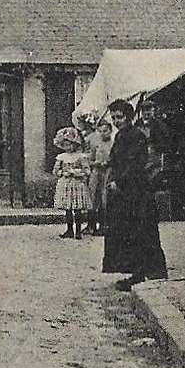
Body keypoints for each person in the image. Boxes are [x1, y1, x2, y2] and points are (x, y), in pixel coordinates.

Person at [101, 99, 168, 290]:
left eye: (119, 117)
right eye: (113, 117)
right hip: (124, 192)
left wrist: (119, 181)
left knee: (139, 231)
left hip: (135, 192)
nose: (116, 121)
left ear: (128, 117)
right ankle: (139, 271)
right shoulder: (122, 135)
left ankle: (144, 272)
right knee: (130, 232)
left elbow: (134, 164)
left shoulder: (135, 136)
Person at [51, 126, 93, 240]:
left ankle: (78, 231)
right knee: (68, 209)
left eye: (70, 144)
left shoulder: (80, 157)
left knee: (77, 209)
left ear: (75, 144)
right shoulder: (61, 157)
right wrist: (62, 172)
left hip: (77, 184)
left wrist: (74, 172)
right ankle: (69, 230)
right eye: (65, 145)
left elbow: (87, 171)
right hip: (66, 184)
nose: (68, 147)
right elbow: (55, 171)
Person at [85, 117, 114, 236]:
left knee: (104, 197)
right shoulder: (95, 144)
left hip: (107, 172)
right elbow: (89, 159)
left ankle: (103, 225)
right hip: (96, 172)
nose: (103, 133)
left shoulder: (113, 144)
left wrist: (108, 163)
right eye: (101, 131)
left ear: (110, 131)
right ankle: (90, 225)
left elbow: (116, 159)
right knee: (93, 197)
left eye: (105, 131)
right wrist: (94, 163)